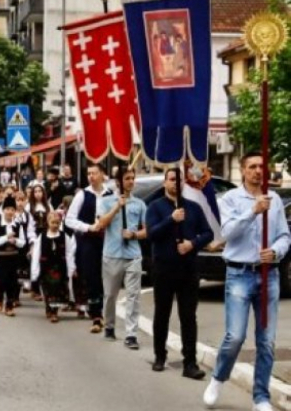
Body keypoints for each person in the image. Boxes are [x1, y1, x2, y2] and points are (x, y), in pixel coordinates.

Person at [205, 151, 291, 411]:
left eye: (261, 166)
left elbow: (285, 236)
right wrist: (253, 211)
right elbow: (227, 232)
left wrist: (275, 251)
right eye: (252, 166)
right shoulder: (230, 199)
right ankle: (218, 377)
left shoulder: (275, 200)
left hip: (269, 275)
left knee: (267, 341)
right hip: (239, 275)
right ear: (243, 170)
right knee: (235, 336)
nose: (257, 171)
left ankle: (260, 397)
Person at [146, 168, 212, 379]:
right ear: (165, 183)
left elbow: (208, 233)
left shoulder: (193, 207)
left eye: (179, 179)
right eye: (172, 179)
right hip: (163, 268)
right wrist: (171, 219)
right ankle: (160, 356)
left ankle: (190, 362)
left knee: (188, 316)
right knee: (162, 314)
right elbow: (151, 234)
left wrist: (192, 244)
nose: (176, 183)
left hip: (188, 269)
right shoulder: (155, 207)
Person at [95, 166, 147, 349]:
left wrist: (134, 235)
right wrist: (117, 206)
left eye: (132, 178)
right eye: (127, 178)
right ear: (118, 182)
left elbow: (147, 230)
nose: (131, 182)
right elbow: (101, 224)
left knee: (133, 295)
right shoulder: (106, 201)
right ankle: (109, 326)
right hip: (112, 255)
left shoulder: (140, 204)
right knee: (110, 295)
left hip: (133, 255)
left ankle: (131, 334)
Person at [64, 162, 113, 333]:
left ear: (102, 175)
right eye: (89, 173)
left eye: (94, 173)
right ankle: (96, 315)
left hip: (107, 240)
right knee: (91, 276)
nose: (91, 177)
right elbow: (69, 220)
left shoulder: (111, 194)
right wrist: (88, 227)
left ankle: (105, 311)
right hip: (88, 241)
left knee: (106, 276)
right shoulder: (82, 195)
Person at [31, 211, 76, 322]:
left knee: (57, 290)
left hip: (60, 268)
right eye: (53, 222)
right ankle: (49, 309)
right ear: (48, 222)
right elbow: (36, 254)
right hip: (46, 268)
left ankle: (54, 311)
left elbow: (69, 253)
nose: (55, 225)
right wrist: (35, 270)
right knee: (47, 290)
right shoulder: (42, 237)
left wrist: (71, 268)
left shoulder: (64, 236)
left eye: (57, 223)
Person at [0, 195, 27, 317]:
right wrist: (6, 238)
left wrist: (16, 241)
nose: (10, 212)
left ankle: (9, 305)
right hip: (1, 257)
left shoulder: (18, 225)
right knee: (1, 280)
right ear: (3, 210)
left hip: (13, 257)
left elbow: (23, 242)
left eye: (12, 209)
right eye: (7, 209)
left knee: (12, 282)